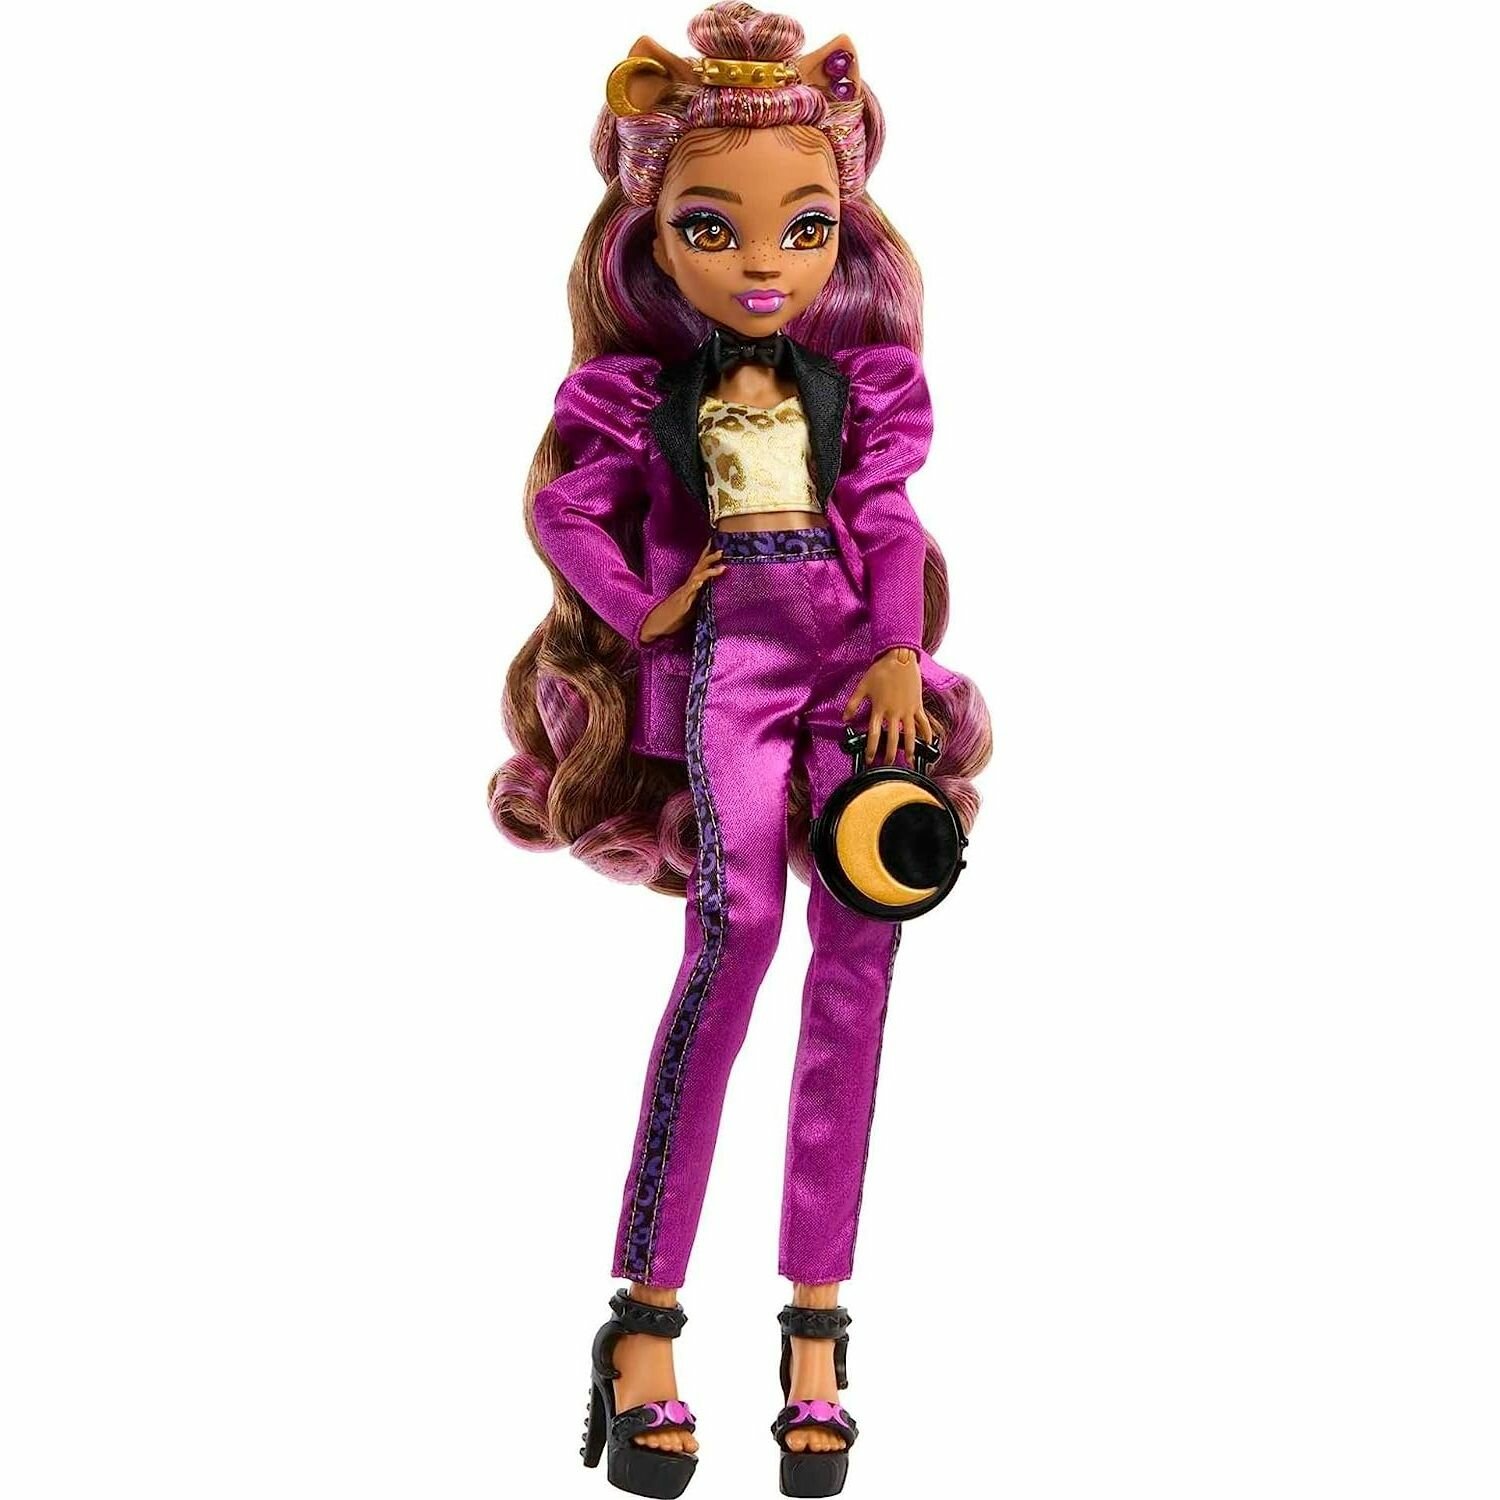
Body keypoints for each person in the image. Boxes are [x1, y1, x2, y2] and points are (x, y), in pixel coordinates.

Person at [490, 6, 992, 1494]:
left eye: (805, 227)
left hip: (851, 673)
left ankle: (817, 1330)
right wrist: (646, 610)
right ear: (651, 233)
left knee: (862, 946)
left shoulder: (858, 388)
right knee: (739, 935)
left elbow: (885, 520)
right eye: (713, 227)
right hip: (729, 671)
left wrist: (896, 647)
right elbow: (563, 509)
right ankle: (643, 1320)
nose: (765, 262)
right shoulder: (641, 398)